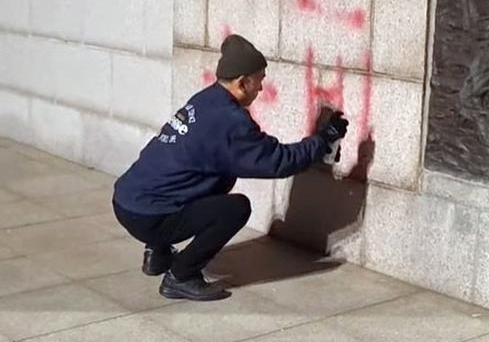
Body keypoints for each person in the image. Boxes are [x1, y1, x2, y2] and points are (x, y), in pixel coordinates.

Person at [112, 34, 348, 301]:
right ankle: (181, 276)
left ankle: (157, 254)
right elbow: (278, 161)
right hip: (149, 215)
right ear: (242, 82)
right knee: (235, 209)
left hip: (127, 199)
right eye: (260, 79)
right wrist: (323, 140)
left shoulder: (206, 100)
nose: (261, 88)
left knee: (197, 178)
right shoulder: (229, 121)